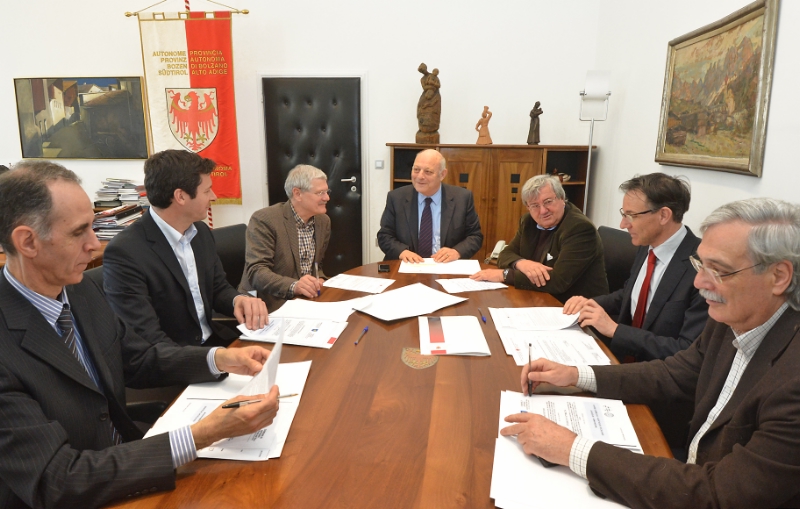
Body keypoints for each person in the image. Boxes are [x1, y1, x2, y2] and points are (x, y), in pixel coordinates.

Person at [0, 161, 280, 508]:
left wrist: (220, 358)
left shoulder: (80, 290)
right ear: (27, 241)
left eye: (94, 227)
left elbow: (138, 358)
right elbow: (57, 479)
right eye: (79, 232)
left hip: (128, 460)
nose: (94, 245)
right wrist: (202, 434)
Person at [501, 197, 800, 509]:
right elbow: (673, 374)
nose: (699, 282)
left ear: (779, 276)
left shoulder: (792, 382)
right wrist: (576, 375)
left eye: (719, 270)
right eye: (700, 264)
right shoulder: (732, 318)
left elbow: (719, 495)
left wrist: (573, 450)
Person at [104, 149, 268, 347]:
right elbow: (149, 341)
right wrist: (217, 358)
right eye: (206, 191)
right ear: (180, 196)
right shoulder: (125, 252)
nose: (214, 197)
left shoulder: (200, 232)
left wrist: (237, 300)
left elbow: (217, 288)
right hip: (174, 357)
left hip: (213, 342)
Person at [563, 173, 708, 362]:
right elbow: (631, 295)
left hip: (657, 370)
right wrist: (590, 304)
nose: (623, 224)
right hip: (620, 357)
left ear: (663, 215)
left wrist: (615, 330)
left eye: (631, 216)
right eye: (624, 214)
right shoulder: (647, 245)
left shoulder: (703, 269)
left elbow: (686, 351)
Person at [471, 174, 607, 303]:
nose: (543, 211)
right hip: (539, 298)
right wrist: (522, 263)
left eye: (548, 202)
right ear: (528, 207)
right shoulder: (528, 222)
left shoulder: (579, 228)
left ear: (562, 199)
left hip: (575, 306)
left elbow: (558, 281)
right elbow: (505, 254)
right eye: (535, 205)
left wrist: (505, 275)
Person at [239, 164, 331, 311]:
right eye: (320, 193)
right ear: (297, 194)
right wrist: (295, 286)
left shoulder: (323, 221)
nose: (327, 198)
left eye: (327, 191)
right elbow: (257, 272)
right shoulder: (265, 220)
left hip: (305, 300)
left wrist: (319, 278)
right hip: (266, 302)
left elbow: (316, 266)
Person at [377, 149, 483, 262]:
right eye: (416, 170)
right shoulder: (396, 198)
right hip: (408, 265)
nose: (420, 176)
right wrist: (402, 252)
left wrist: (456, 252)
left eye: (428, 172)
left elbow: (475, 236)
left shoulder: (462, 198)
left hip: (445, 265)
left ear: (442, 174)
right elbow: (384, 235)